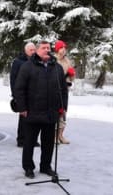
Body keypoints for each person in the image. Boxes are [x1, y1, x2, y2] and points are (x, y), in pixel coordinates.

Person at [14, 41, 68, 179]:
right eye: (43, 48)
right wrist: (22, 108)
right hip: (32, 112)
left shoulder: (57, 68)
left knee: (48, 143)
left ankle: (45, 166)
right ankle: (28, 167)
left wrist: (63, 107)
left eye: (48, 48)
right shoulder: (27, 66)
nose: (46, 50)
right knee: (29, 143)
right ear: (37, 51)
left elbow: (63, 91)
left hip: (51, 113)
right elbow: (19, 89)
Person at [9, 42, 38, 147]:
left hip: (35, 95)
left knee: (35, 119)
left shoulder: (37, 61)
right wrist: (15, 95)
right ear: (26, 51)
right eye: (31, 50)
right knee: (23, 118)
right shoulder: (18, 62)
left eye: (34, 50)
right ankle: (21, 140)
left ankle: (33, 140)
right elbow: (13, 79)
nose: (33, 52)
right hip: (23, 95)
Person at [54, 40, 75, 144]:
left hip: (65, 89)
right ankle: (54, 136)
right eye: (61, 48)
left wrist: (72, 74)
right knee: (56, 111)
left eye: (64, 48)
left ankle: (60, 135)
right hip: (55, 90)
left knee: (64, 111)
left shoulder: (67, 61)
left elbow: (72, 78)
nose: (64, 50)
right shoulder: (54, 60)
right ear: (57, 50)